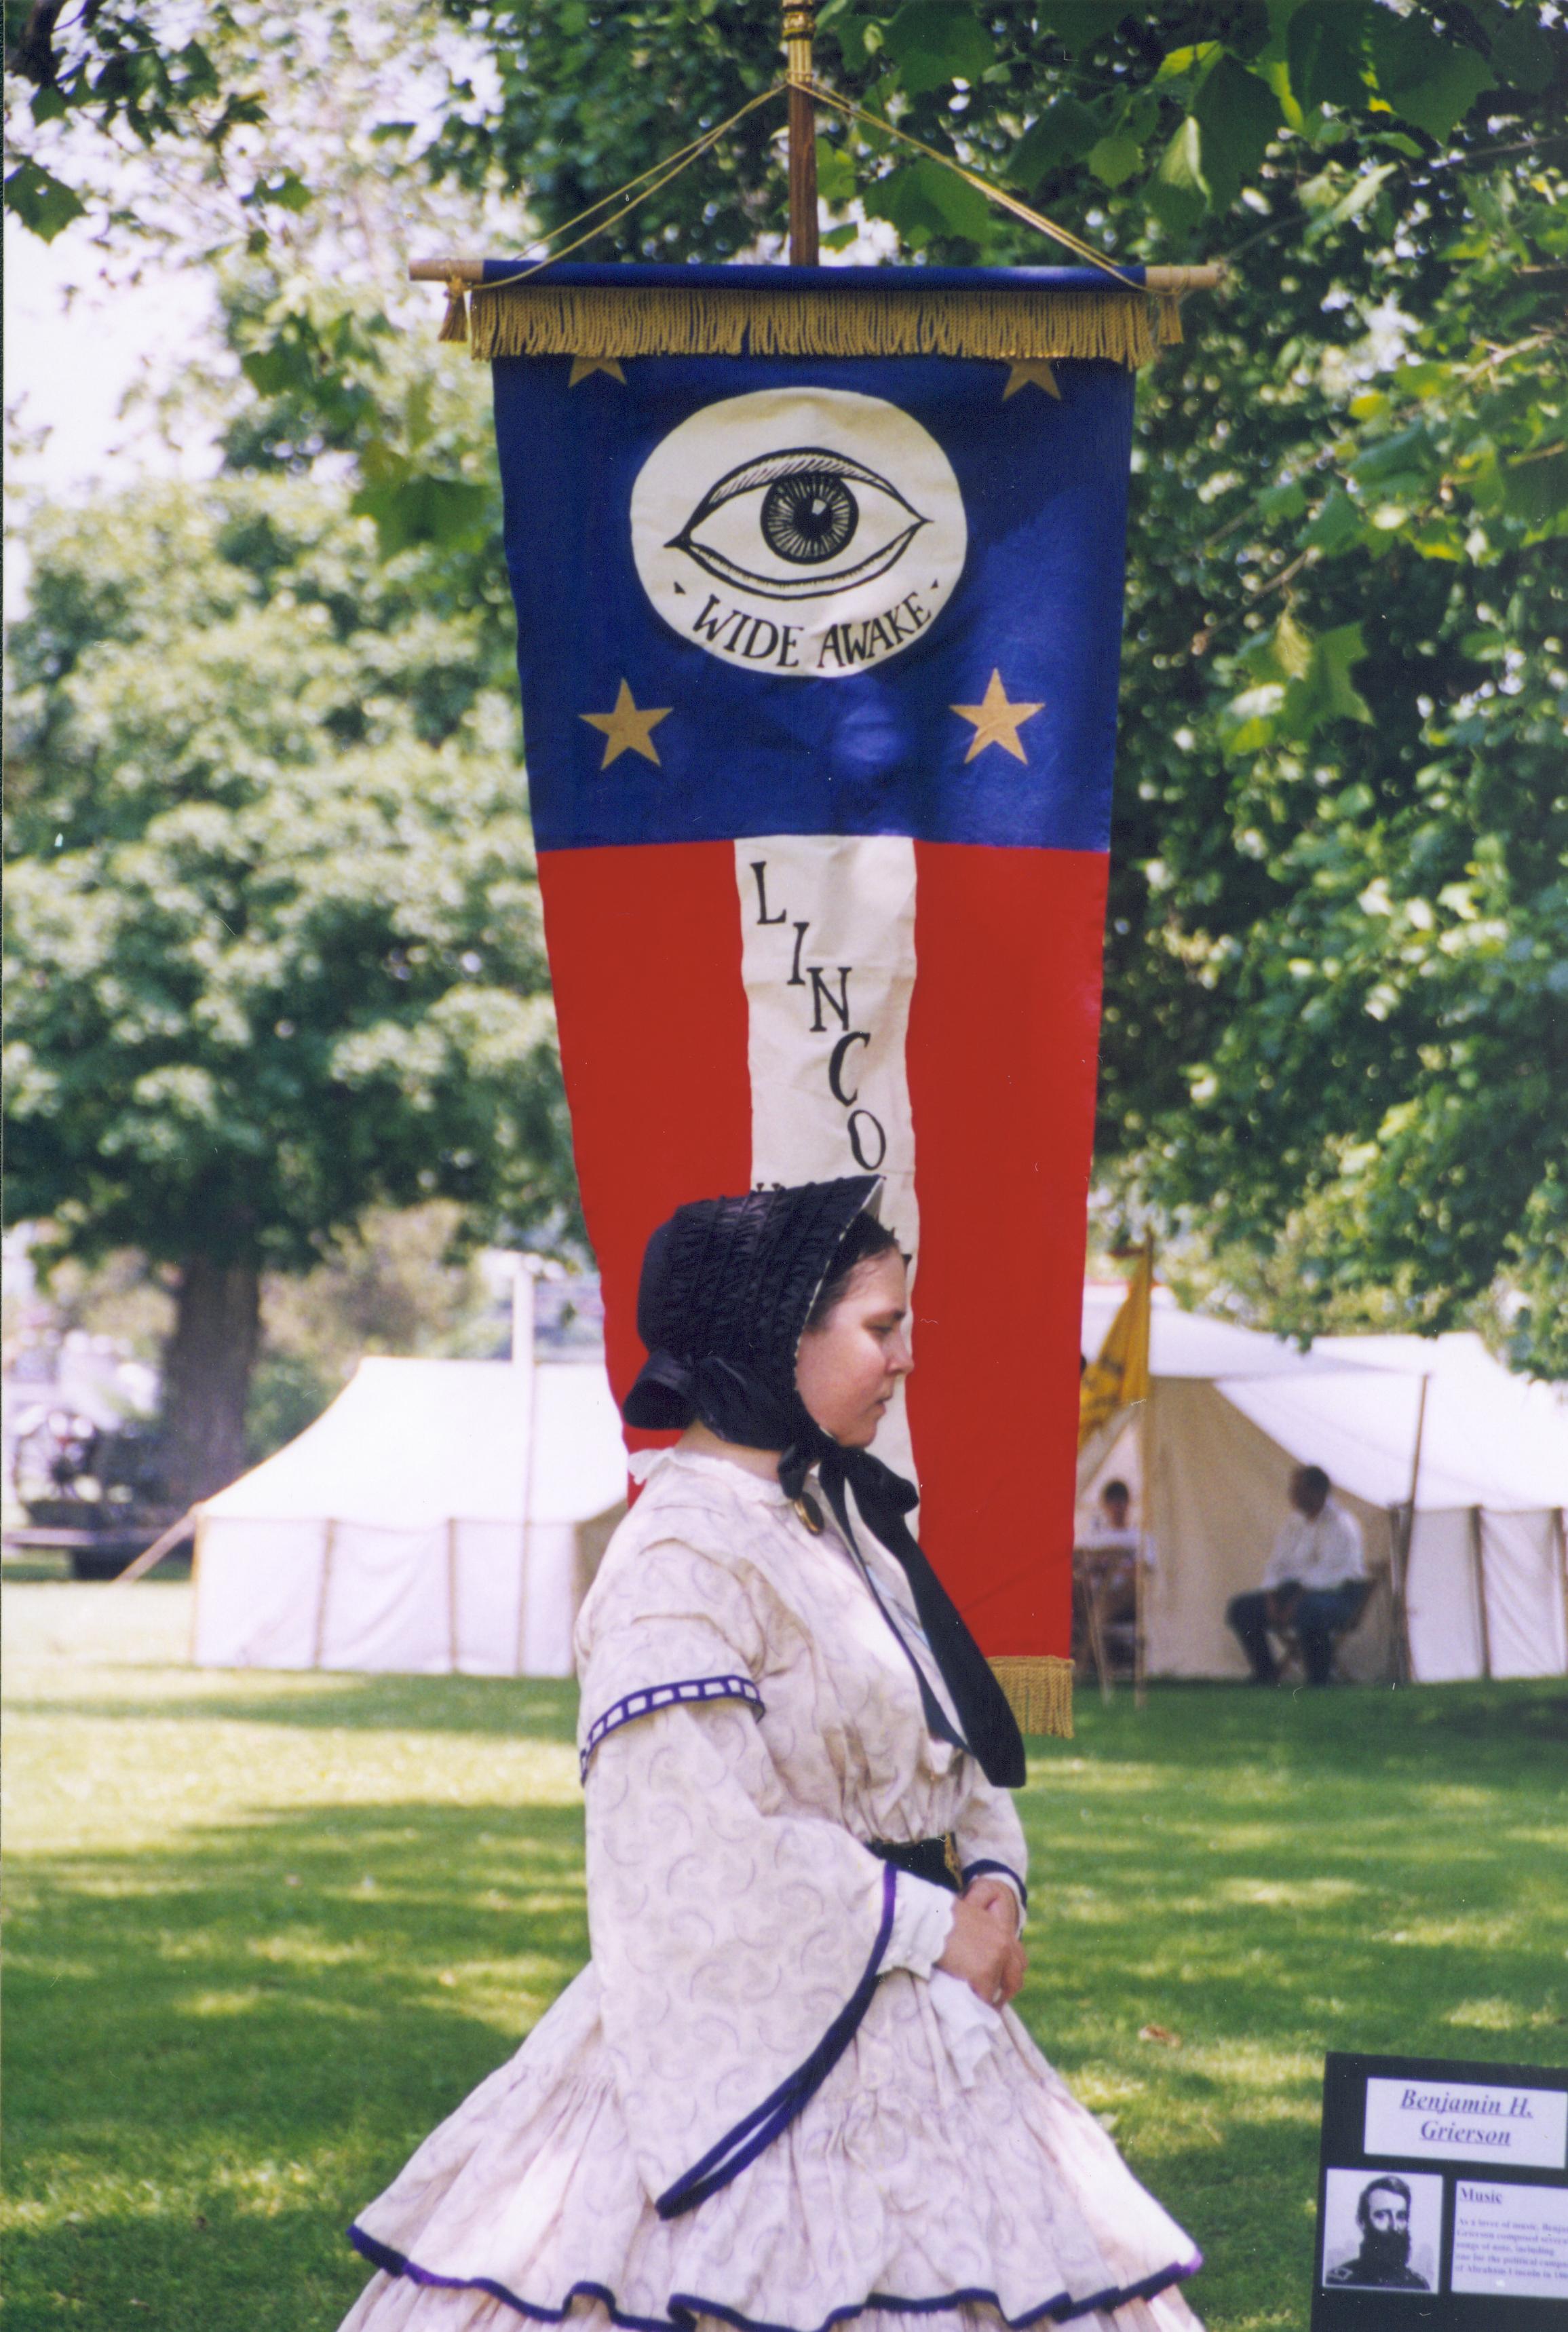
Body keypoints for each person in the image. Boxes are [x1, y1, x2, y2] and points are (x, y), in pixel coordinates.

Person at [340, 1176, 1204, 2332]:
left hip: (925, 2009)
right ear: (771, 1335)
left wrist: (991, 1878)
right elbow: (696, 1829)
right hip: (756, 2024)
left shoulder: (834, 1523)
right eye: (880, 1328)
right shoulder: (676, 1556)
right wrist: (933, 1923)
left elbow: (945, 1741)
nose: (902, 1360)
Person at [1226, 1465, 1366, 1688]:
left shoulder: (1341, 1524)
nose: (1292, 1494)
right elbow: (1277, 1563)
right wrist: (1271, 1595)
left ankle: (1319, 1679)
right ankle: (1266, 1673)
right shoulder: (1294, 1523)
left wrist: (1295, 1601)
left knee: (1310, 1610)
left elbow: (1329, 1573)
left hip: (1338, 1593)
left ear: (1317, 1491)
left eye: (1298, 1489)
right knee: (1242, 1608)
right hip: (1295, 1592)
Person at [1324, 2176, 1430, 2290]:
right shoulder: (1339, 2282)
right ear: (1361, 2222)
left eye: (1401, 2216)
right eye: (1382, 2216)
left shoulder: (1418, 2285)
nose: (1394, 2226)